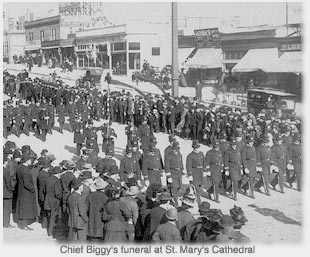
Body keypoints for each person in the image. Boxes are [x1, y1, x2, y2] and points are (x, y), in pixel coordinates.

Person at [86, 177, 109, 241]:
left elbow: (86, 209)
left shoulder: (89, 196)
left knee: (92, 238)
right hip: (101, 220)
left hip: (91, 218)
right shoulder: (105, 197)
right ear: (103, 188)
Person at [43, 166, 62, 237]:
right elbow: (57, 193)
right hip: (54, 201)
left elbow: (44, 190)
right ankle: (50, 232)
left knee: (48, 215)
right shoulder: (57, 181)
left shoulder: (47, 179)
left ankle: (47, 228)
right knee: (52, 217)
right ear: (58, 173)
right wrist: (60, 197)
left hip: (47, 199)